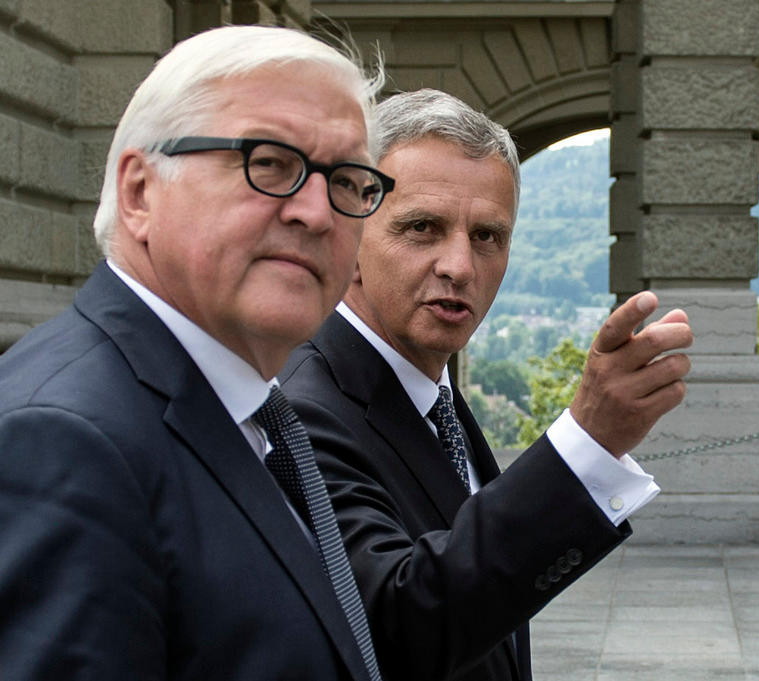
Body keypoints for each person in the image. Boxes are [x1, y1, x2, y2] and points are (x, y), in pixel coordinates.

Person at [0, 26, 394, 680]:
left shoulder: (255, 410)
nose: (317, 212)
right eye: (269, 162)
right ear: (139, 192)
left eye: (348, 180)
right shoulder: (65, 440)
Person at [279, 89, 693, 681]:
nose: (460, 266)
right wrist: (587, 440)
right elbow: (399, 623)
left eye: (487, 236)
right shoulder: (301, 410)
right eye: (422, 227)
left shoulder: (431, 393)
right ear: (347, 240)